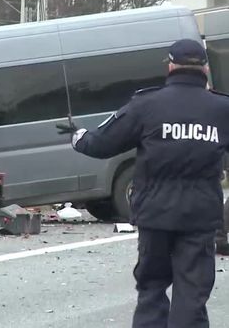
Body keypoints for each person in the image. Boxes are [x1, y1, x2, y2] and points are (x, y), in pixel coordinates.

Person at [57, 38, 229, 328]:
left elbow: (102, 143)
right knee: (192, 293)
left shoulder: (147, 104)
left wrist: (78, 136)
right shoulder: (221, 109)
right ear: (205, 69)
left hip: (155, 214)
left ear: (171, 65)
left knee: (152, 288)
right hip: (200, 216)